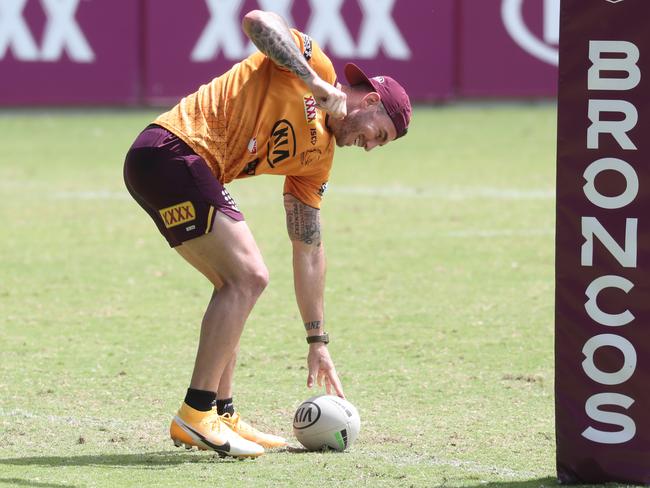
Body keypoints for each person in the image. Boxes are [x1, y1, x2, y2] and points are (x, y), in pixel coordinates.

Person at [123, 9, 411, 458]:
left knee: (233, 282)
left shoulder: (317, 162)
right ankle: (196, 414)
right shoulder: (318, 68)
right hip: (171, 151)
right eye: (380, 135)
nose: (371, 146)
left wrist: (317, 341)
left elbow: (309, 248)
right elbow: (258, 22)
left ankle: (222, 412)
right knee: (248, 277)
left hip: (175, 167)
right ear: (370, 102)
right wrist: (315, 84)